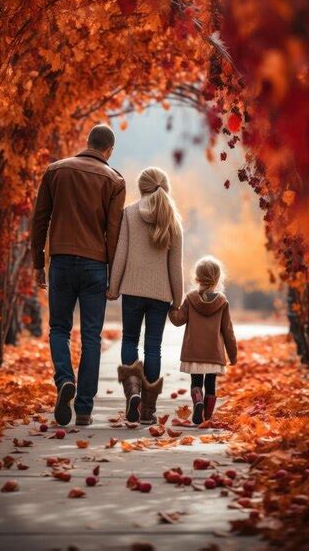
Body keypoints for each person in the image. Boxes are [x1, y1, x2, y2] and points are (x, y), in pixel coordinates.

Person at [31, 124, 125, 426]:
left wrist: (37, 262)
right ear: (108, 150)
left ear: (87, 142)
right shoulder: (114, 180)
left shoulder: (55, 171)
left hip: (59, 261)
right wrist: (114, 275)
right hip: (95, 265)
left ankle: (64, 381)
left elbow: (40, 219)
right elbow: (114, 232)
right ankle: (84, 409)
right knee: (90, 337)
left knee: (59, 328)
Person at [108, 167, 183, 425]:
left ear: (141, 187)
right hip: (160, 295)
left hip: (132, 290)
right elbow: (176, 266)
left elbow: (121, 254)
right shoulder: (173, 219)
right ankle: (148, 411)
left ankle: (133, 393)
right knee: (153, 347)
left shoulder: (128, 214)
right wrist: (178, 300)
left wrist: (114, 286)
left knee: (129, 340)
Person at [169, 256, 237, 425]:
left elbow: (178, 320)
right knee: (211, 383)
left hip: (194, 352)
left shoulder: (190, 299)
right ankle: (207, 416)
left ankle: (197, 402)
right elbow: (228, 330)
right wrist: (233, 355)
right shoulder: (222, 302)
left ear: (197, 278)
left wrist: (171, 308)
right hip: (213, 353)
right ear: (217, 279)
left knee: (196, 382)